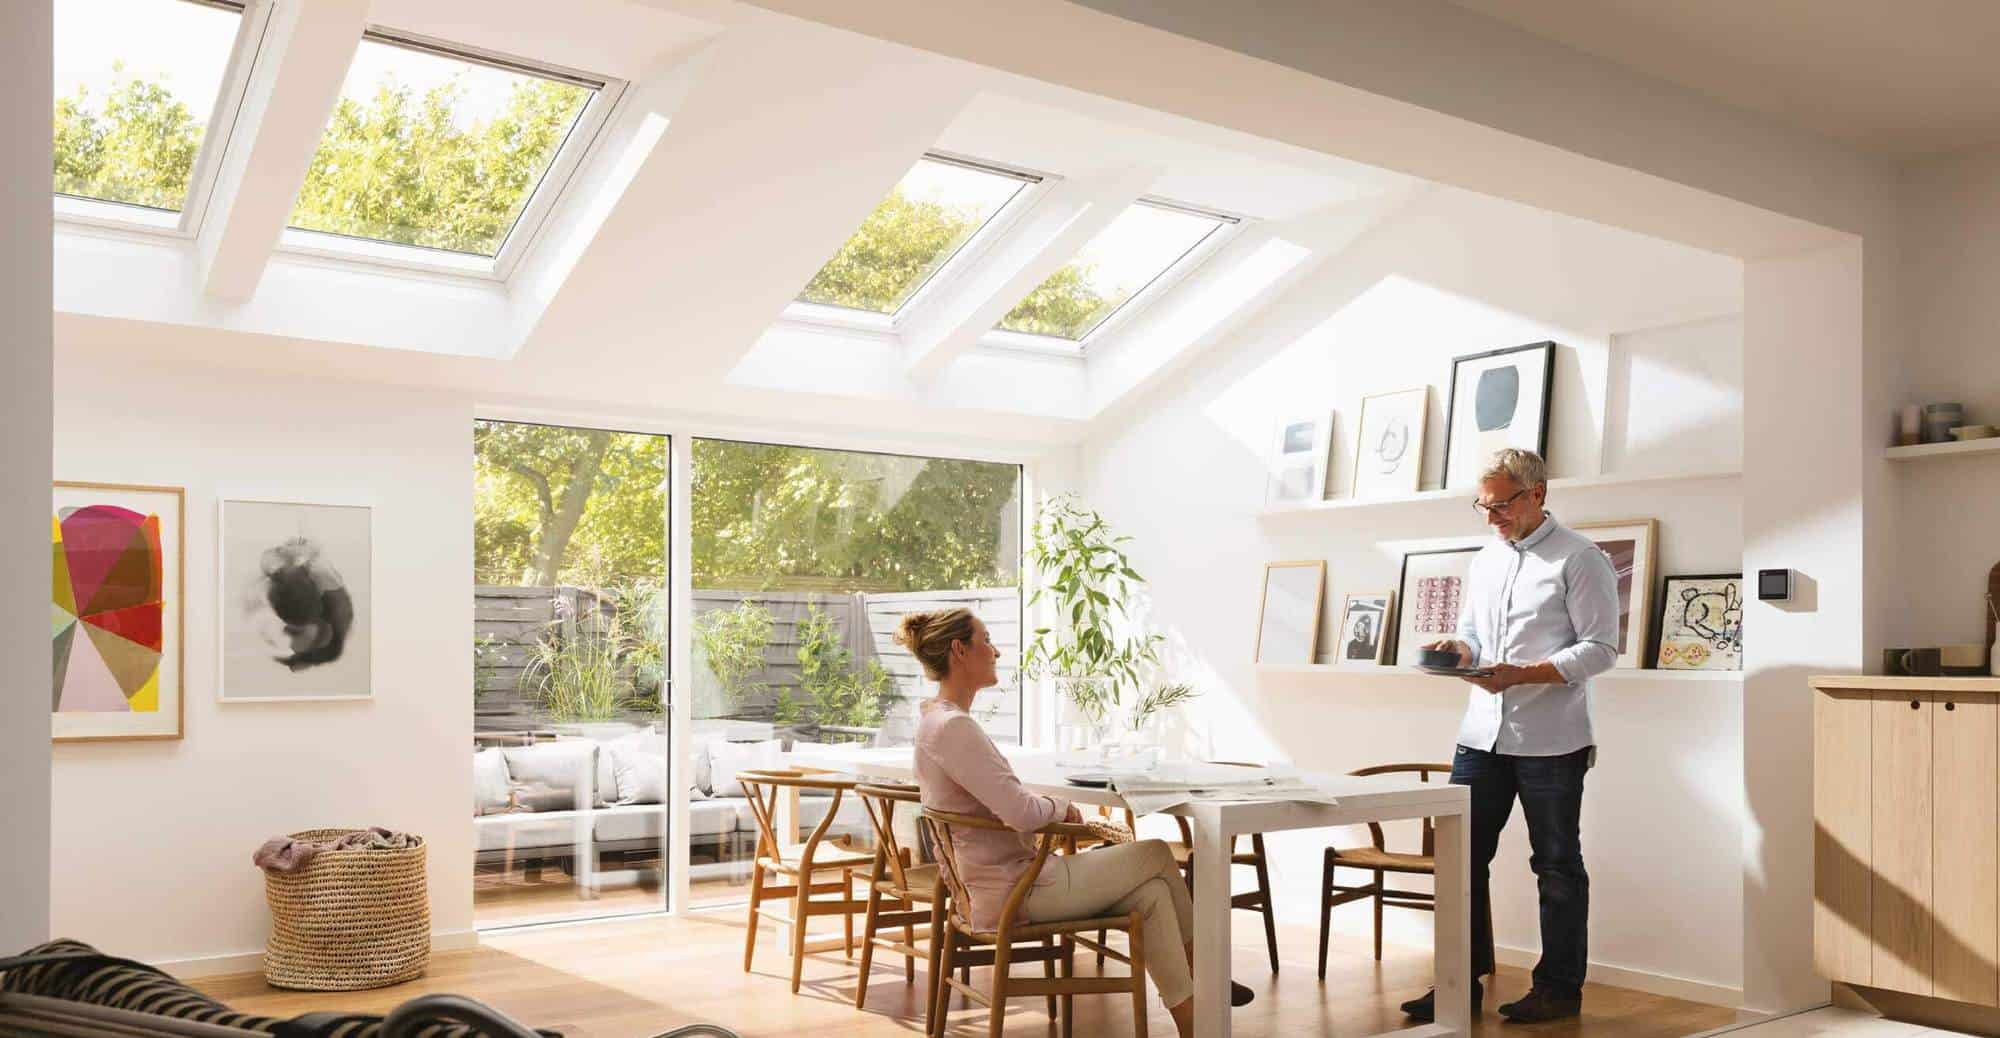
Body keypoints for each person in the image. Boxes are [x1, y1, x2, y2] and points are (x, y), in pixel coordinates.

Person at [901, 608, 1251, 1038]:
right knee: (1157, 854)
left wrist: (1045, 804)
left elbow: (1008, 803)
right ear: (960, 650)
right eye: (986, 640)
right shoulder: (954, 728)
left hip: (1002, 884)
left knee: (1154, 895)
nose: (995, 650)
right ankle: (1211, 975)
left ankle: (1194, 1026)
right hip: (1018, 889)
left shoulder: (936, 723)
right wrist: (1060, 806)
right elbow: (1020, 812)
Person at [1402, 448, 1619, 1024]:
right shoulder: (1487, 559)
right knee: (1460, 859)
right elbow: (1473, 633)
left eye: (1501, 506)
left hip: (1551, 739)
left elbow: (1601, 650)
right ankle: (1458, 982)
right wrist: (1461, 650)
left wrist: (1523, 675)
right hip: (1480, 736)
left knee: (1556, 866)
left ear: (1538, 494)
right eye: (1484, 506)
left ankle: (1559, 989)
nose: (1491, 518)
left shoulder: (1580, 559)